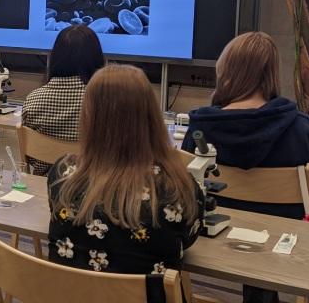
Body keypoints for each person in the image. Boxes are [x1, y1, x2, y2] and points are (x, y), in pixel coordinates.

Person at [48, 64, 203, 276]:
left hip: (66, 292)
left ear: (89, 116)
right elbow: (188, 239)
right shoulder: (178, 187)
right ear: (151, 116)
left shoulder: (62, 174)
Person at [182, 32, 309, 220]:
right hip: (289, 235)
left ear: (224, 71)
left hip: (216, 230)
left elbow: (186, 187)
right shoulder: (303, 130)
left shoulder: (199, 129)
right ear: (272, 75)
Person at [21, 25, 105, 175]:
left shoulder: (33, 99)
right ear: (96, 58)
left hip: (45, 183)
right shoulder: (105, 101)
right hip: (94, 183)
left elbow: (31, 158)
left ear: (55, 57)